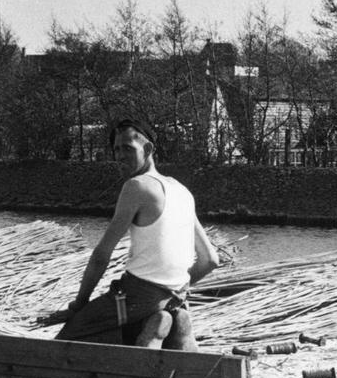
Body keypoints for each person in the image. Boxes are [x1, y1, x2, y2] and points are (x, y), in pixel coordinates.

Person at [57, 119, 220, 349]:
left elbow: (102, 255)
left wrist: (79, 305)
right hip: (177, 298)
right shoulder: (182, 190)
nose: (120, 156)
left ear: (149, 149)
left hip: (136, 296)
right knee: (134, 319)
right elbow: (211, 260)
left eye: (127, 148)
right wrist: (169, 293)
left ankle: (155, 318)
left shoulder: (136, 186)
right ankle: (166, 319)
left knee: (69, 337)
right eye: (116, 149)